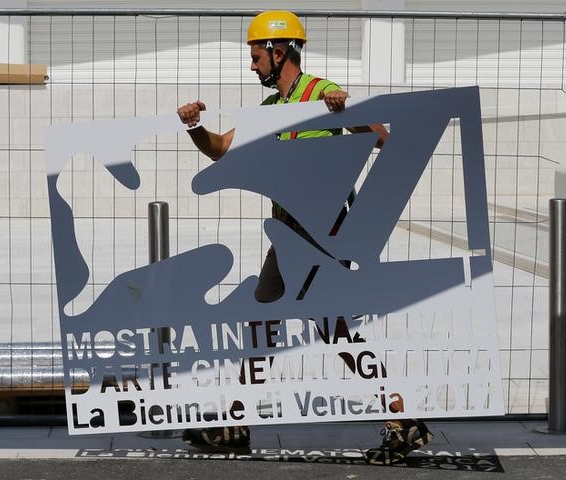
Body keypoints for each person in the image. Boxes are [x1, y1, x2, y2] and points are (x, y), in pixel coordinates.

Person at [176, 10, 431, 466]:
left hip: (324, 236)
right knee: (265, 322)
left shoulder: (321, 93)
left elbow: (382, 138)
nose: (252, 66)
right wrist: (195, 126)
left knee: (330, 328)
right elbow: (219, 150)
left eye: (256, 57)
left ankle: (401, 417)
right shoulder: (271, 110)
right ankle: (238, 422)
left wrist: (348, 112)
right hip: (288, 235)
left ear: (280, 52)